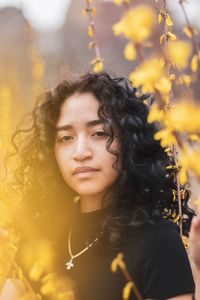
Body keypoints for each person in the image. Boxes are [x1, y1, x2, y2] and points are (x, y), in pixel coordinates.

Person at [1, 72, 199, 299]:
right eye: (66, 138)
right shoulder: (40, 241)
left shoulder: (157, 240)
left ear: (128, 141)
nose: (81, 152)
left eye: (98, 133)